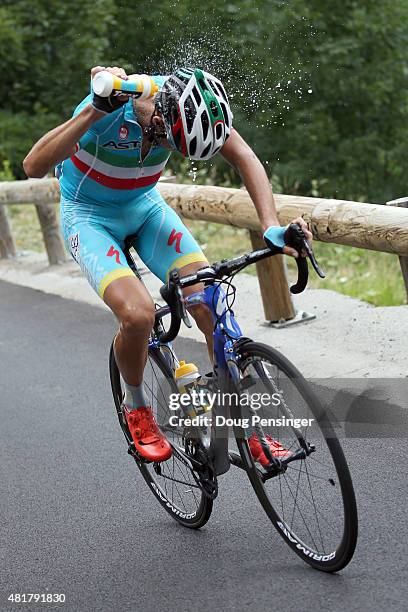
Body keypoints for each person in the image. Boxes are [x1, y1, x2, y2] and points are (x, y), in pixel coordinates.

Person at [23, 65, 312, 465]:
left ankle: (251, 429)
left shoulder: (195, 109)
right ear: (159, 116)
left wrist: (271, 227)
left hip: (144, 208)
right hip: (89, 216)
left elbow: (245, 156)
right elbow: (33, 166)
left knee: (210, 301)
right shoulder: (109, 110)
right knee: (138, 316)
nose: (170, 150)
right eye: (168, 141)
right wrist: (93, 111)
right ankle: (137, 406)